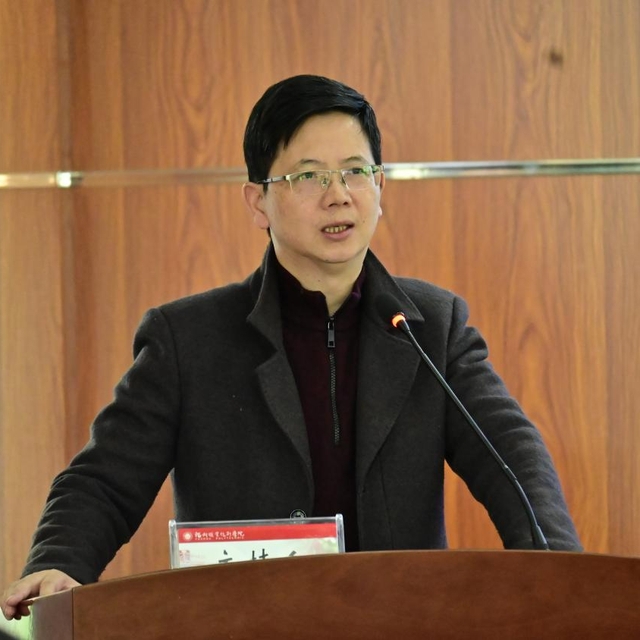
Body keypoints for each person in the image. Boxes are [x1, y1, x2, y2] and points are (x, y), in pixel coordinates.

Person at [2, 74, 581, 621]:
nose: (339, 196)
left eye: (355, 172)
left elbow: (512, 456)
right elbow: (106, 478)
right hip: (244, 625)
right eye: (308, 177)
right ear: (258, 201)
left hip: (399, 622)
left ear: (380, 187)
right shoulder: (189, 340)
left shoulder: (431, 327)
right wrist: (59, 561)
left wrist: (561, 573)